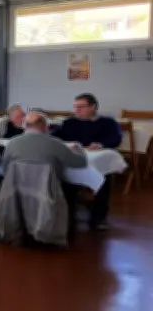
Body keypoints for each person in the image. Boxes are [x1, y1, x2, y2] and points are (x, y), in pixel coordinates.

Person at [4, 111, 88, 233]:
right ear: (45, 127)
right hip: (49, 188)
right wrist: (79, 149)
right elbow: (80, 163)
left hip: (18, 188)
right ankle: (67, 228)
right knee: (71, 187)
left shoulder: (12, 143)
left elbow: (5, 167)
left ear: (24, 126)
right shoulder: (55, 144)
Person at [52, 93, 121, 231]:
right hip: (73, 159)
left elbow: (115, 138)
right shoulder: (69, 123)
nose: (76, 110)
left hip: (97, 158)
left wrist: (101, 144)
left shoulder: (107, 122)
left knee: (102, 179)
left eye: (81, 107)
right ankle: (68, 215)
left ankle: (99, 217)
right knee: (64, 177)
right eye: (75, 107)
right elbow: (57, 137)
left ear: (93, 107)